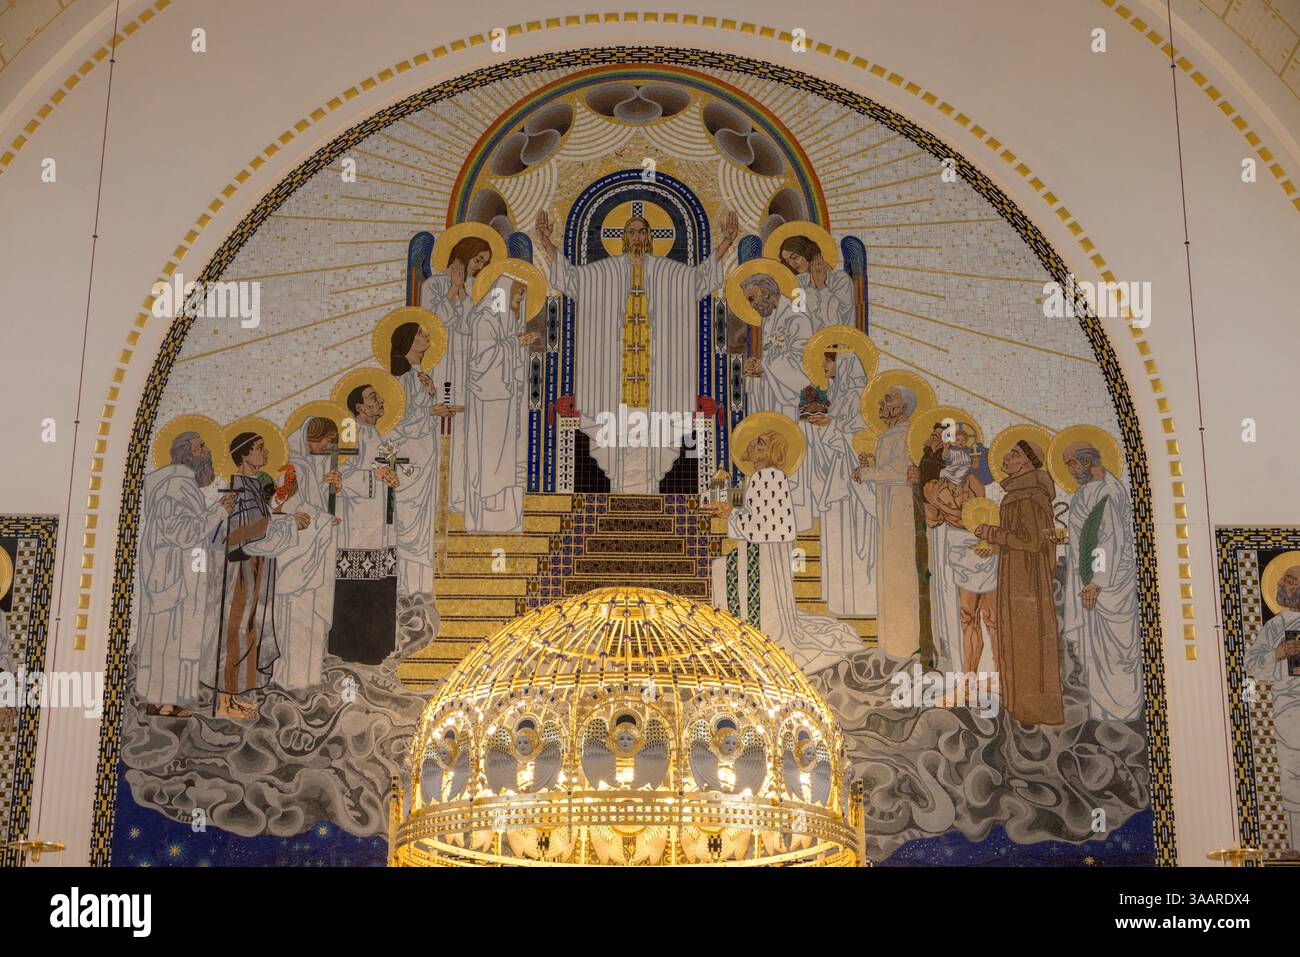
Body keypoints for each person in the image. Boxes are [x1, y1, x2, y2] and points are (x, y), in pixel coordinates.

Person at [535, 207, 738, 492]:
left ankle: (647, 495)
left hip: (658, 384)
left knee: (656, 451)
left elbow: (699, 280)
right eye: (631, 231)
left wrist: (727, 243)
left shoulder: (667, 272)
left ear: (650, 236)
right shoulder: (605, 272)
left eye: (642, 231)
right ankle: (621, 493)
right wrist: (545, 242)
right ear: (623, 237)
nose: (637, 237)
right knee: (614, 448)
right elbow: (572, 279)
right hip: (613, 385)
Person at [705, 426, 863, 675]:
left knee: (719, 569)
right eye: (754, 443)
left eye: (759, 445)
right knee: (721, 566)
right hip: (762, 550)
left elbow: (766, 527)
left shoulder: (766, 477)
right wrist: (733, 512)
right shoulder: (763, 477)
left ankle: (745, 632)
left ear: (771, 453)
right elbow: (760, 518)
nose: (751, 447)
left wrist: (731, 514)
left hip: (763, 554)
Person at [209, 432, 309, 720]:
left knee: (250, 628)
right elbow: (247, 531)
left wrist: (283, 515)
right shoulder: (239, 487)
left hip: (256, 568)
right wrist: (289, 524)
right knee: (237, 629)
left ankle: (237, 696)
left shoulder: (253, 484)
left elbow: (260, 522)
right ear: (244, 455)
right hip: (241, 570)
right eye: (259, 448)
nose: (265, 452)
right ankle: (225, 700)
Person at [135, 431, 233, 717]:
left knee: (180, 639)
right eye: (202, 447)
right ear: (188, 455)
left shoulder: (182, 485)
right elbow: (184, 532)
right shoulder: (172, 488)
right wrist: (218, 511)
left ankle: (173, 699)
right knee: (167, 640)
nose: (208, 451)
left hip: (182, 576)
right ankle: (161, 701)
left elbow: (193, 531)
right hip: (170, 578)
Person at [975, 440, 1064, 725]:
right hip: (1017, 574)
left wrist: (993, 533)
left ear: (1025, 463)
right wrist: (995, 544)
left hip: (1025, 580)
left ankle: (1032, 708)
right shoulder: (1019, 494)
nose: (1006, 457)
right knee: (1015, 636)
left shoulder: (1027, 497)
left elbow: (1031, 540)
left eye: (1012, 454)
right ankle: (1019, 705)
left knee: (1026, 636)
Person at [1060, 441, 1141, 722]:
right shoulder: (1087, 491)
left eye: (1071, 463)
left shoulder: (1108, 490)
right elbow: (1085, 536)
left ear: (1086, 460)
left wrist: (1095, 581)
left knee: (1114, 652)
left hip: (1107, 585)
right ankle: (1103, 713)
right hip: (1092, 580)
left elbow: (1109, 541)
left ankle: (1121, 712)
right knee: (1094, 649)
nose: (1069, 470)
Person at [420, 236, 494, 517]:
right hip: (440, 365)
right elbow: (433, 320)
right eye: (477, 260)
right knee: (438, 428)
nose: (479, 267)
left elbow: (475, 327)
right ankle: (435, 494)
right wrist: (453, 287)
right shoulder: (433, 285)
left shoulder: (476, 290)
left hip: (465, 369)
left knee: (463, 431)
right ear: (462, 255)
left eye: (484, 263)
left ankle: (459, 496)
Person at [920, 422, 998, 676]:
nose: (957, 449)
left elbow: (984, 514)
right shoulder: (933, 486)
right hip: (958, 550)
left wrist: (988, 541)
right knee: (967, 616)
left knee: (992, 616)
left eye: (963, 444)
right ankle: (970, 675)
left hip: (981, 549)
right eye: (952, 445)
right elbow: (933, 520)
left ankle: (997, 674)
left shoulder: (973, 481)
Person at [389, 322, 461, 593]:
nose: (426, 336)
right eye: (421, 333)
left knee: (421, 523)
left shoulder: (419, 376)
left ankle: (419, 586)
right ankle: (406, 587)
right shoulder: (400, 379)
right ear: (407, 340)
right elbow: (397, 422)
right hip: (409, 459)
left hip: (424, 457)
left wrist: (431, 403)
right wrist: (431, 411)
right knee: (408, 521)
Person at [274, 417, 343, 691]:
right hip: (297, 560)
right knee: (296, 620)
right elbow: (290, 508)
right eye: (327, 440)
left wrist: (333, 489)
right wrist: (323, 519)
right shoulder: (290, 469)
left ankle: (310, 678)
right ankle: (291, 679)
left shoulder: (313, 468)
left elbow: (318, 505)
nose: (330, 446)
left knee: (313, 618)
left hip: (315, 558)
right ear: (312, 437)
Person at [741, 274, 815, 532]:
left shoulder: (796, 317)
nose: (751, 305)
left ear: (767, 292)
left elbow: (805, 370)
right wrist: (755, 373)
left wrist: (765, 366)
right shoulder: (770, 319)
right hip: (774, 403)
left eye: (752, 298)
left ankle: (795, 520)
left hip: (791, 406)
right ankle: (769, 517)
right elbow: (770, 364)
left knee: (788, 461)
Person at [806, 348, 876, 616]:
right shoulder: (839, 395)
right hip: (839, 474)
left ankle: (860, 602)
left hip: (853, 480)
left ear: (842, 363)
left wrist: (831, 428)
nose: (823, 364)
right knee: (839, 534)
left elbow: (859, 438)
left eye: (827, 359)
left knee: (854, 534)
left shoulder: (857, 397)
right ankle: (840, 601)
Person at [852, 385, 920, 659]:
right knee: (889, 574)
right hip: (889, 511)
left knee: (900, 575)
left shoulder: (905, 434)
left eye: (887, 399)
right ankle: (890, 643)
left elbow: (901, 470)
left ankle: (903, 644)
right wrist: (872, 466)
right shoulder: (890, 435)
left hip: (901, 514)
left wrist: (868, 472)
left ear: (902, 407)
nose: (881, 403)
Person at [463, 275, 536, 531]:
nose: (520, 301)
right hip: (488, 402)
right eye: (518, 296)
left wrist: (517, 343)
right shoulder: (485, 319)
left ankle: (506, 518)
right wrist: (514, 343)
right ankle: (486, 518)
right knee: (490, 462)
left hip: (504, 400)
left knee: (504, 462)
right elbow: (479, 361)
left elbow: (507, 352)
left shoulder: (504, 321)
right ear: (503, 295)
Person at [1246, 561, 1300, 847]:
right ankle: (1296, 845)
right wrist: (1277, 654)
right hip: (1288, 711)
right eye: (1281, 579)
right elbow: (1251, 666)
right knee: (1292, 775)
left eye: (1289, 580)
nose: (1280, 583)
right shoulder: (1275, 625)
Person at [777, 234, 854, 331]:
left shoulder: (840, 279)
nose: (792, 264)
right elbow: (800, 322)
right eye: (788, 261)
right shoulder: (797, 283)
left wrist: (822, 287)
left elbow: (834, 323)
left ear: (808, 252)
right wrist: (810, 288)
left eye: (795, 257)